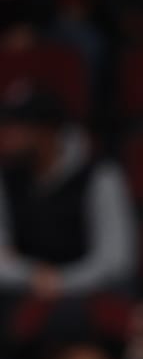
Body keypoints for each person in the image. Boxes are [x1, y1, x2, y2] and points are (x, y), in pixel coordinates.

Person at [0, 82, 135, 308]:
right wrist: (32, 276)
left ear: (46, 132)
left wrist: (62, 282)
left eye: (16, 127)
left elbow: (116, 261)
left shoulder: (101, 176)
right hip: (22, 298)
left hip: (86, 300)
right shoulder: (5, 178)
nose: (4, 135)